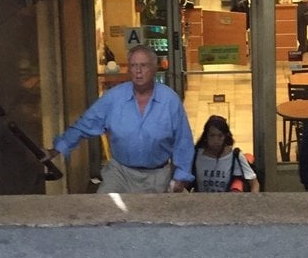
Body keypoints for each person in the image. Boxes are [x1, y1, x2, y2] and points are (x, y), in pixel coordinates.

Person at [41, 45, 195, 193]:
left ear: (154, 69)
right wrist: (56, 149)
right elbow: (85, 124)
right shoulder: (114, 97)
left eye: (144, 65)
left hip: (158, 175)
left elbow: (183, 141)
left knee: (152, 217)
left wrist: (181, 177)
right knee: (104, 209)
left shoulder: (170, 100)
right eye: (134, 66)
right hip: (120, 172)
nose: (138, 71)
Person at [191, 115, 260, 193]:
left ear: (225, 136)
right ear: (206, 136)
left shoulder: (235, 156)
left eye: (220, 136)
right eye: (212, 135)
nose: (216, 140)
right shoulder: (196, 155)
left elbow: (254, 183)